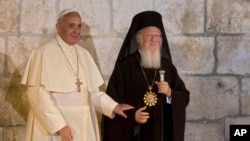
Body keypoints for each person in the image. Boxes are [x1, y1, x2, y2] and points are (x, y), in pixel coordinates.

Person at [21, 9, 133, 141]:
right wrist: (59, 125)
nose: (76, 30)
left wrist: (114, 106)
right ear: (59, 27)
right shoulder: (42, 53)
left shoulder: (84, 54)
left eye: (79, 26)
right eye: (71, 25)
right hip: (55, 127)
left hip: (83, 122)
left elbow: (92, 94)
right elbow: (36, 96)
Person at [102, 11, 190, 141]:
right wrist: (132, 116)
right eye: (149, 35)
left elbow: (184, 96)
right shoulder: (124, 67)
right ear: (138, 39)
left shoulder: (167, 66)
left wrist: (170, 92)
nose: (154, 39)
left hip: (162, 135)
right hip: (135, 135)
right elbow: (112, 104)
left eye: (157, 36)